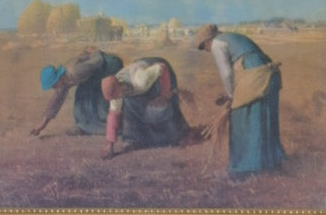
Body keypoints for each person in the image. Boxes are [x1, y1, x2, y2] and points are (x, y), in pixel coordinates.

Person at [195, 23, 284, 175]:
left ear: (208, 41)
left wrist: (231, 96)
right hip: (266, 73)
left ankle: (246, 167)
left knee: (240, 116)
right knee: (262, 114)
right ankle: (270, 162)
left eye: (204, 47)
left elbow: (227, 74)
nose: (207, 51)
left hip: (254, 73)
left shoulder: (217, 44)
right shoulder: (231, 37)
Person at [99, 56, 198, 157]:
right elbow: (114, 114)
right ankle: (133, 140)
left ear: (119, 87)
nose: (115, 99)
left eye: (116, 96)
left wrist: (164, 94)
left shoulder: (140, 80)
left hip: (159, 72)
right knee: (129, 107)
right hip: (139, 79)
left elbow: (162, 68)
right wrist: (110, 144)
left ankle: (182, 134)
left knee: (164, 106)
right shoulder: (116, 91)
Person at [31, 48, 122, 137]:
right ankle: (83, 126)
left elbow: (98, 60)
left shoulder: (75, 71)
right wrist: (42, 125)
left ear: (57, 79)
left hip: (109, 65)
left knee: (101, 95)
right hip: (95, 72)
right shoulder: (63, 80)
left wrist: (96, 52)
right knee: (81, 96)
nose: (54, 88)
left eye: (53, 85)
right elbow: (56, 101)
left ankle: (115, 126)